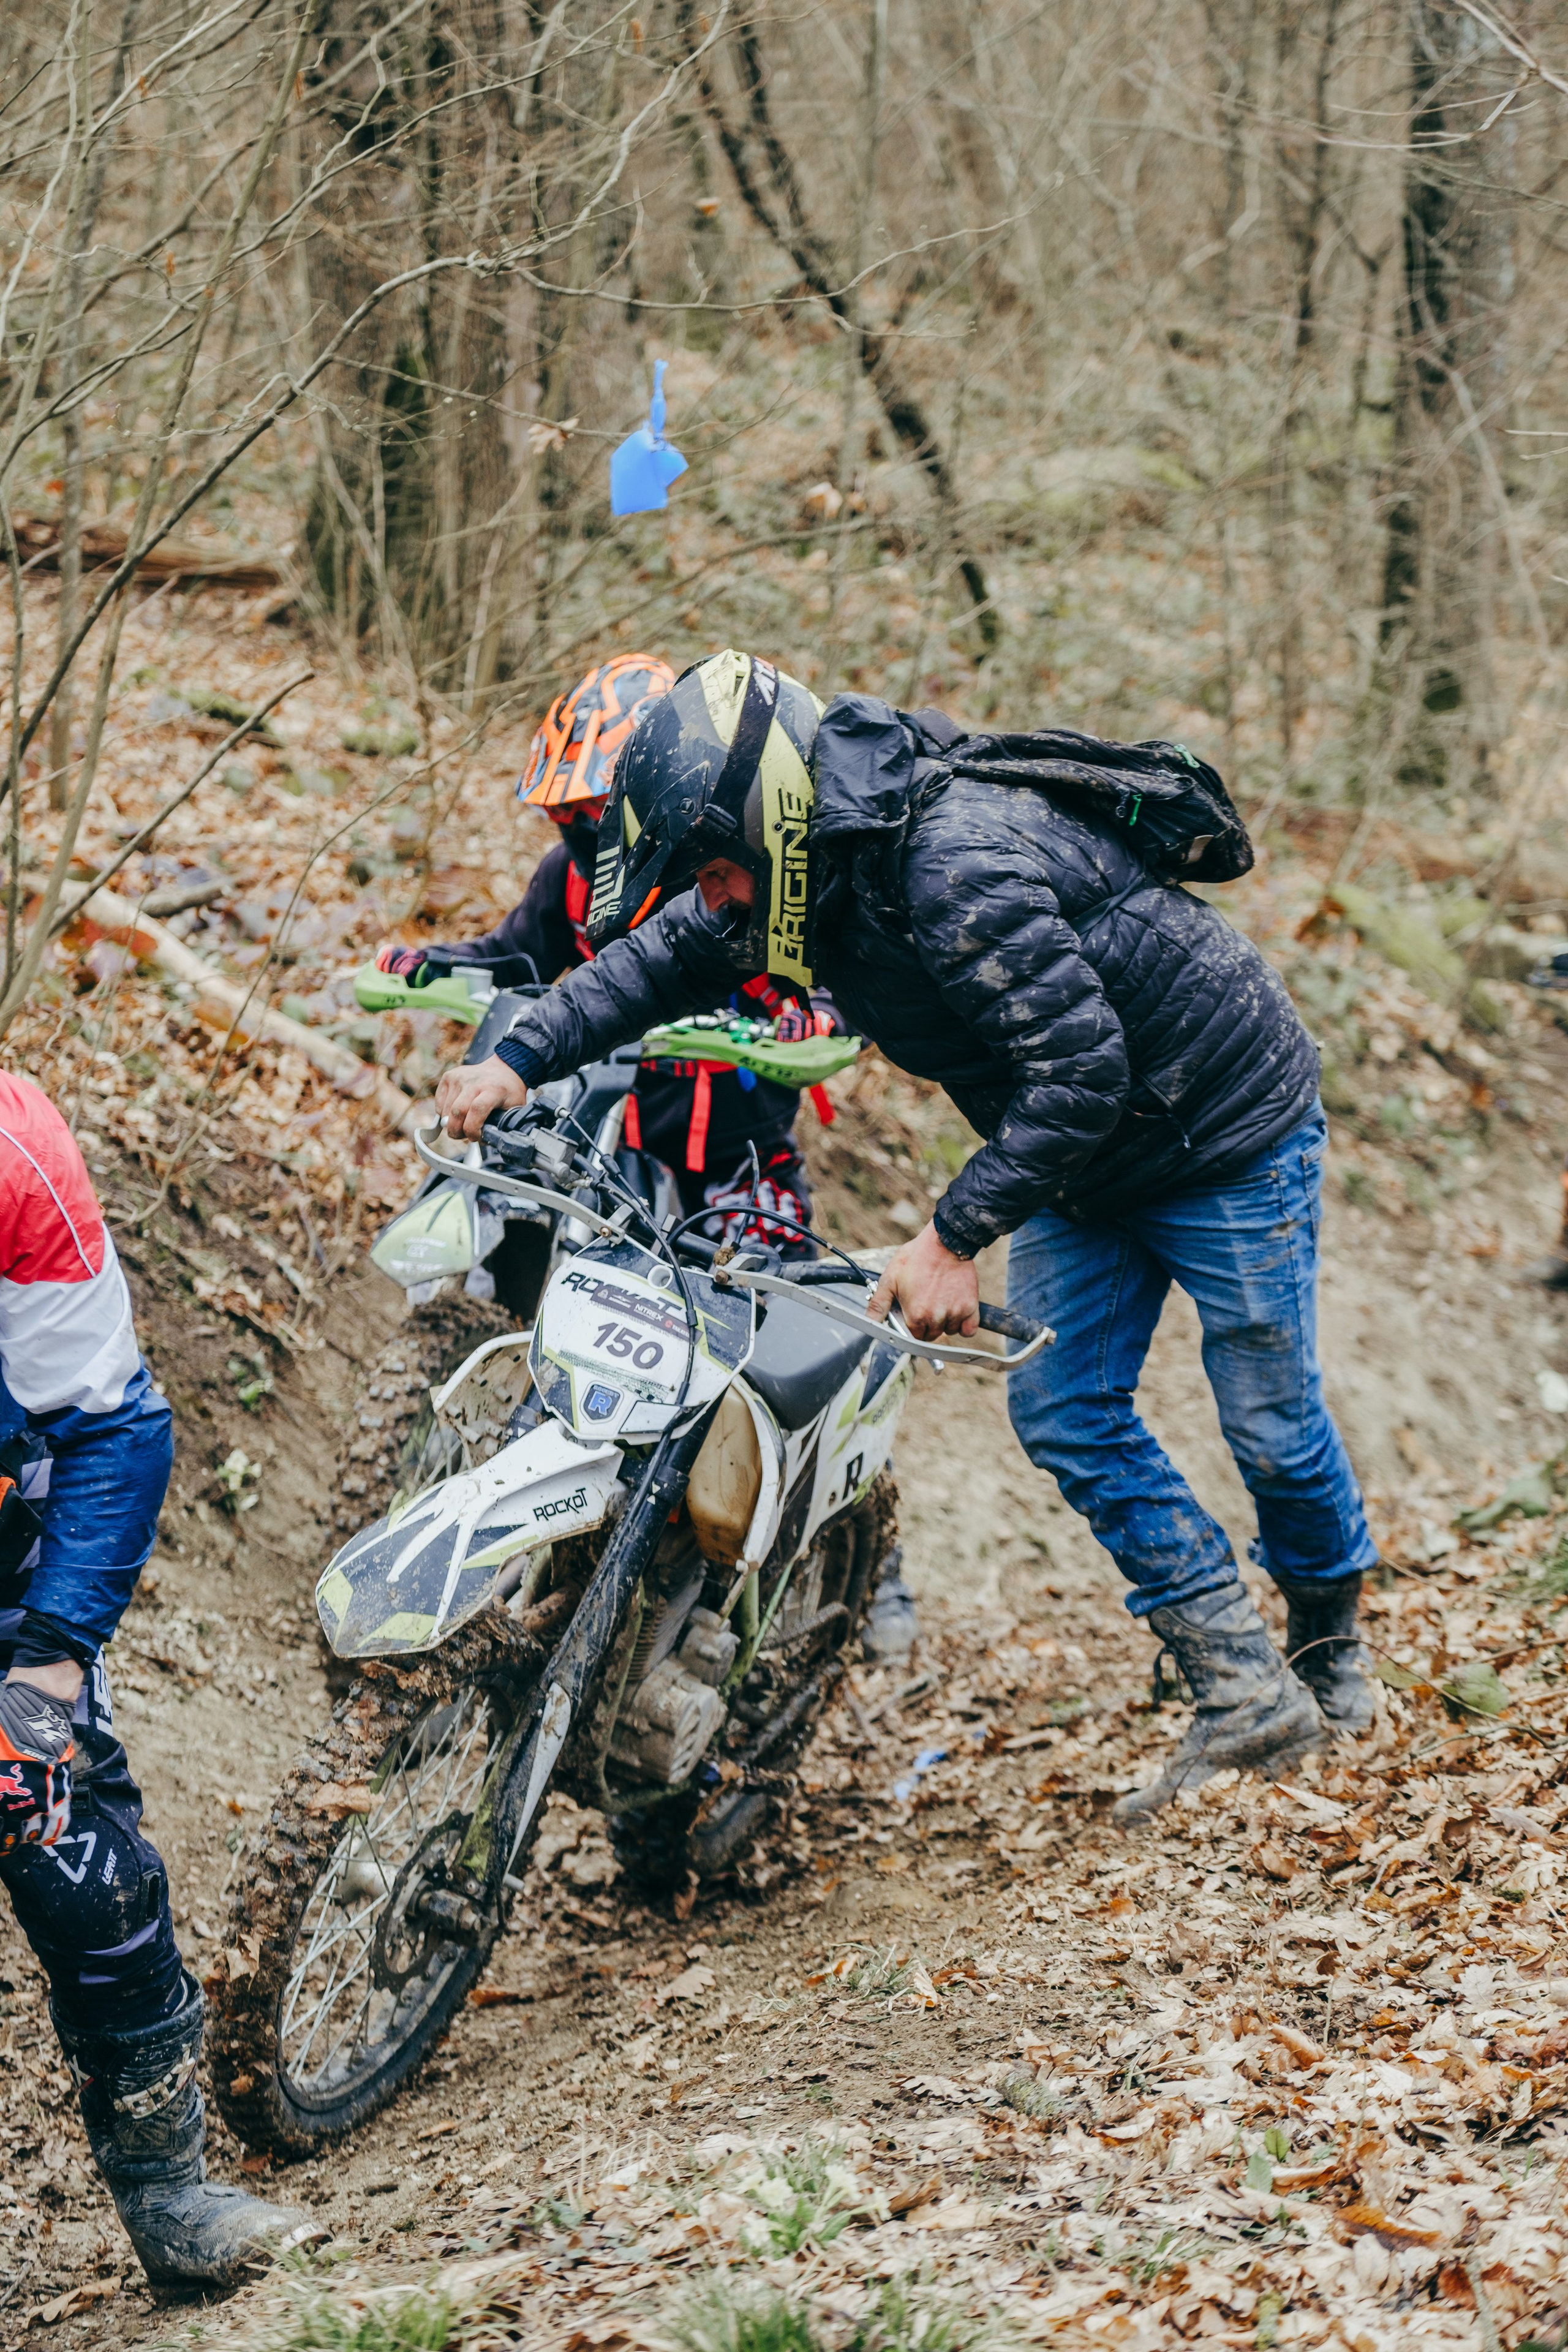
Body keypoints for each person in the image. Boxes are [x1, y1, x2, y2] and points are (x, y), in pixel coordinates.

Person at [435, 649, 1379, 1815]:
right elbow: (656, 961)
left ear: (766, 823)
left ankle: (1328, 1642)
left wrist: (951, 1236)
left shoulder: (950, 861)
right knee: (1067, 1410)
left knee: (1270, 1422)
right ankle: (1244, 1690)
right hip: (1085, 1161)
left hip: (1227, 1125)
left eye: (716, 871)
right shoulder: (802, 880)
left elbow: (1082, 1069)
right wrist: (520, 1058)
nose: (714, 899)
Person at [0, 1072, 307, 2285]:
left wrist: (43, 1685)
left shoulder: (16, 1154)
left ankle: (170, 2197)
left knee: (78, 1861)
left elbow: (113, 1428)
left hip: (12, 1554)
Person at [379, 655, 832, 1253]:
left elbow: (824, 955)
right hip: (616, 1126)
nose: (577, 827)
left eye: (590, 811)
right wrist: (440, 962)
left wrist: (821, 1016)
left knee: (767, 1270)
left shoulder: (733, 876)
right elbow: (519, 956)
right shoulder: (570, 877)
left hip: (736, 1139)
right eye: (563, 813)